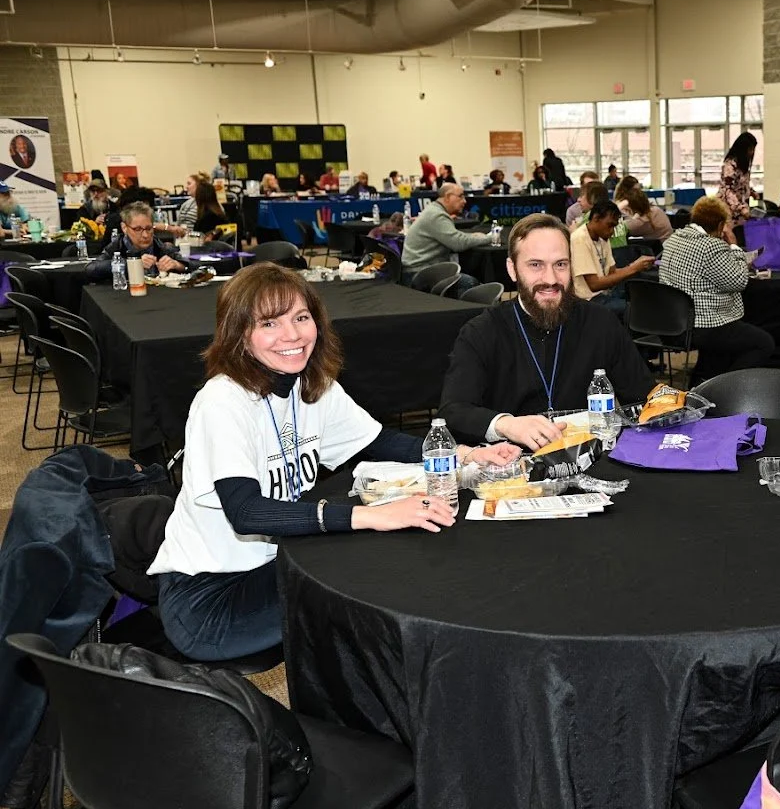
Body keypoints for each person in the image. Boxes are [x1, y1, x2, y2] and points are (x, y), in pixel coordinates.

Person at [146, 262, 518, 660]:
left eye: (301, 317)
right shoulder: (223, 400)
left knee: (384, 561)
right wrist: (372, 515)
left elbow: (380, 441)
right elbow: (246, 512)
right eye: (270, 324)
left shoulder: (311, 384)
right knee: (366, 591)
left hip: (279, 559)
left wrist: (465, 456)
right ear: (239, 334)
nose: (292, 335)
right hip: (210, 599)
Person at [439, 214, 658, 449]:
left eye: (560, 265)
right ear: (512, 270)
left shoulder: (600, 322)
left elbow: (644, 397)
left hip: (591, 458)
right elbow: (454, 411)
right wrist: (507, 425)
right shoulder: (482, 332)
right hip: (512, 466)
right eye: (536, 265)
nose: (551, 279)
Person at [658, 195, 776, 384]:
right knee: (763, 344)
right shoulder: (712, 247)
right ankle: (725, 387)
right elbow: (738, 281)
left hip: (673, 322)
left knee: (718, 349)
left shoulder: (674, 239)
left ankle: (702, 383)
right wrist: (734, 245)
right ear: (721, 225)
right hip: (704, 325)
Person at [570, 199, 656, 313]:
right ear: (596, 218)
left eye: (614, 226)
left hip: (604, 294)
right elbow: (594, 285)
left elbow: (612, 273)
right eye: (610, 225)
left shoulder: (602, 236)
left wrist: (635, 266)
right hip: (587, 300)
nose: (612, 231)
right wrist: (634, 268)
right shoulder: (579, 239)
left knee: (645, 299)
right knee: (636, 310)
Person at [403, 182, 489, 291]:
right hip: (420, 274)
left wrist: (472, 236)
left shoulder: (433, 210)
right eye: (460, 196)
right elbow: (458, 243)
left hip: (419, 270)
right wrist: (489, 238)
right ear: (448, 196)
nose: (464, 201)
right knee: (471, 283)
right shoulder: (437, 215)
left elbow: (453, 237)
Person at [86, 202, 190, 279]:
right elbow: (91, 269)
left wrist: (179, 266)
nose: (145, 235)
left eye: (149, 228)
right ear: (124, 228)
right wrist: (133, 264)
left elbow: (195, 266)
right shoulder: (118, 245)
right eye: (138, 229)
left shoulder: (160, 246)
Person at [719, 132, 759, 223]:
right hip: (728, 210)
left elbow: (741, 185)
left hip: (740, 210)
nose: (752, 152)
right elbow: (728, 190)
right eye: (750, 149)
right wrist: (741, 208)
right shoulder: (730, 165)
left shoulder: (743, 165)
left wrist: (751, 192)